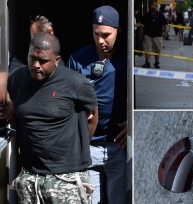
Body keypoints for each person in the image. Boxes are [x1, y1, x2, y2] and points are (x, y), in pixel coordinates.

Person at [5, 32, 98, 203]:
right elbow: (12, 104)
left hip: (66, 178)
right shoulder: (17, 80)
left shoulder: (76, 83)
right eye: (32, 58)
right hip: (30, 178)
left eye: (43, 61)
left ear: (56, 60)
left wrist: (82, 142)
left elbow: (92, 115)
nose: (36, 65)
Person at [67, 5, 127, 204]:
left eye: (106, 35)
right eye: (96, 34)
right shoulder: (77, 60)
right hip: (89, 147)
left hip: (119, 146)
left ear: (118, 30)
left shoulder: (128, 60)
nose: (101, 41)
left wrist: (133, 123)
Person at [140, 1, 168, 68]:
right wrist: (141, 32)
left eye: (153, 5)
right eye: (151, 5)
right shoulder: (147, 14)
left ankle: (157, 62)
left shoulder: (160, 15)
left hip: (158, 35)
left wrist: (165, 32)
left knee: (157, 49)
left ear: (156, 6)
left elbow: (165, 24)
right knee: (147, 49)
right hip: (147, 34)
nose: (151, 6)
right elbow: (142, 24)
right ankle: (147, 62)